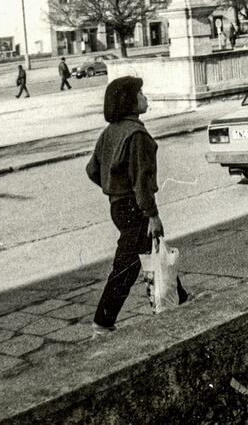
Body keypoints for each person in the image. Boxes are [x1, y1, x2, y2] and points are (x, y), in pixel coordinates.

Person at [86, 76, 188, 335]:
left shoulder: (109, 132)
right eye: (141, 94)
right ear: (129, 101)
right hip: (135, 208)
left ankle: (183, 300)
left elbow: (92, 169)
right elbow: (141, 183)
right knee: (127, 266)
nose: (145, 98)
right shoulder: (137, 135)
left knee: (153, 253)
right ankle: (103, 322)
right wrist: (152, 215)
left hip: (118, 206)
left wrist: (113, 187)